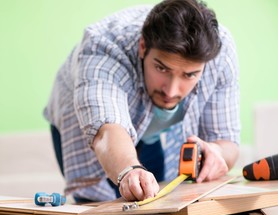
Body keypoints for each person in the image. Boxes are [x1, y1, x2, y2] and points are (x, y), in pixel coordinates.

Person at [44, 0, 240, 203]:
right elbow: (106, 132)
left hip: (151, 135)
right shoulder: (103, 45)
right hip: (86, 127)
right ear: (142, 46)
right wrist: (130, 169)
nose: (171, 91)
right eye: (162, 68)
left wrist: (216, 152)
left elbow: (226, 141)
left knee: (156, 203)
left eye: (189, 75)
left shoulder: (220, 54)